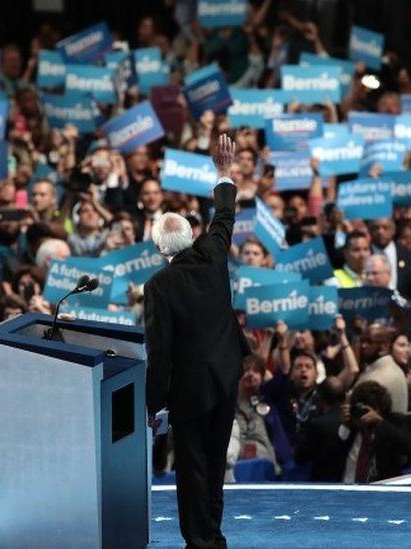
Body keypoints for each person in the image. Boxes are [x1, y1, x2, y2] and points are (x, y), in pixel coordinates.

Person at [143, 134, 250, 549]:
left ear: (159, 247)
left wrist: (154, 404)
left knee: (193, 468)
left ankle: (202, 543)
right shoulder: (212, 253)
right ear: (191, 236)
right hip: (226, 377)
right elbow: (224, 215)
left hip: (189, 390)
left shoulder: (159, 286)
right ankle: (214, 536)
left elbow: (160, 351)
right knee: (215, 456)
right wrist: (223, 172)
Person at [340, 381, 411, 483]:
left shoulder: (395, 422)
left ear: (378, 409)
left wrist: (380, 422)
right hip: (348, 487)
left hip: (381, 489)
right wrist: (345, 425)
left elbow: (409, 446)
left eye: (366, 410)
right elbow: (335, 450)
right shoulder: (352, 424)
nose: (362, 415)